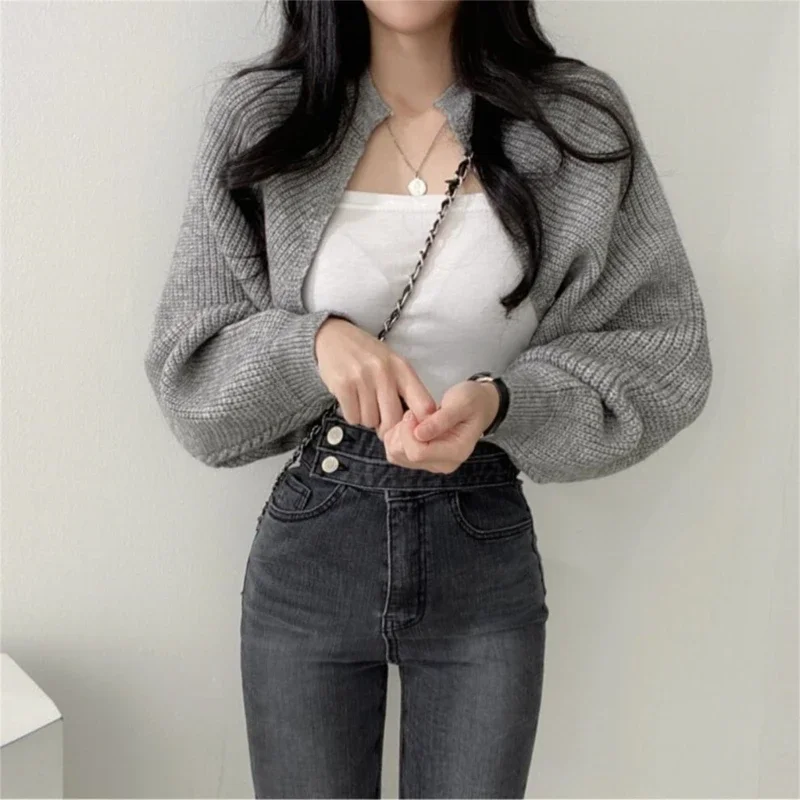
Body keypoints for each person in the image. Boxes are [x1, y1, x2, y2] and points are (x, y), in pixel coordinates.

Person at [143, 0, 713, 796]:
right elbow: (191, 374)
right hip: (313, 548)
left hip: (482, 541)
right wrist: (313, 346)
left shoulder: (572, 123)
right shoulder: (266, 118)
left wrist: (504, 402)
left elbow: (664, 349)